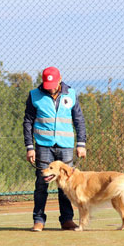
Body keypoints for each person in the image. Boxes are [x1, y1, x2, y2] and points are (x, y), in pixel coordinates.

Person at [23, 66, 87, 232]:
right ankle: (39, 220)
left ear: (60, 80)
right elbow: (28, 122)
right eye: (46, 84)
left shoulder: (70, 94)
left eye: (52, 84)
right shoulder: (34, 95)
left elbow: (79, 120)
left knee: (66, 184)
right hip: (43, 146)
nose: (49, 87)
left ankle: (66, 220)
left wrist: (81, 144)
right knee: (41, 183)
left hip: (65, 145)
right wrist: (30, 147)